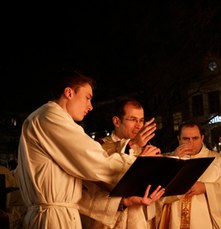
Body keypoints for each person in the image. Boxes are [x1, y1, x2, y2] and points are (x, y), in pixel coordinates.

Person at [15, 69, 162, 228]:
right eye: (87, 98)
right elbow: (96, 162)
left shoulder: (52, 119)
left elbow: (83, 180)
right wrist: (138, 164)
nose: (90, 106)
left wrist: (126, 199)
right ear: (69, 93)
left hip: (61, 214)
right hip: (53, 218)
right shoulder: (50, 117)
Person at [80, 98, 163, 229]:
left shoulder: (147, 148)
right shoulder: (99, 146)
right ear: (117, 121)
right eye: (133, 119)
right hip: (110, 222)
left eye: (141, 120)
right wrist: (133, 147)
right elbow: (103, 184)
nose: (139, 126)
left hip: (141, 219)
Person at [156, 121, 221, 229]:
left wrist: (206, 187)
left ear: (202, 138)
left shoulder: (219, 161)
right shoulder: (168, 160)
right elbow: (156, 193)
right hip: (175, 221)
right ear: (179, 139)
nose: (191, 143)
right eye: (186, 139)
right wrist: (174, 161)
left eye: (195, 138)